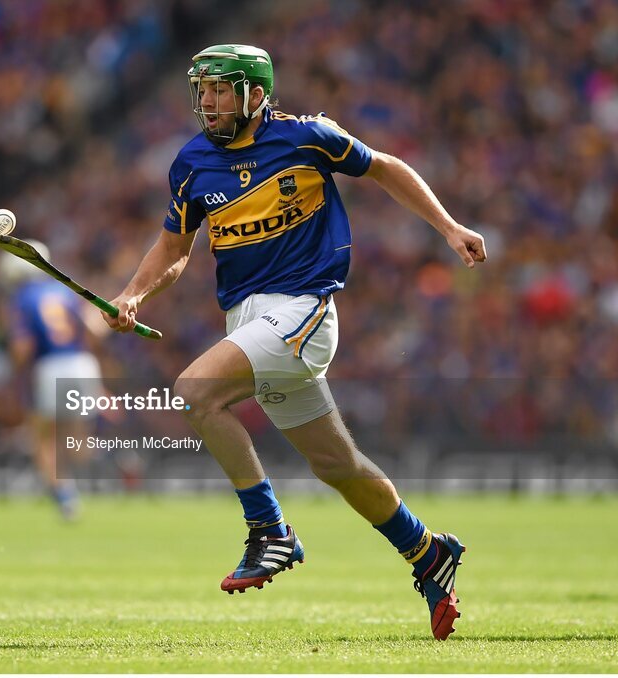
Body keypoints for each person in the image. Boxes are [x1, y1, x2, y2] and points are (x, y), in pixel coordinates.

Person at [102, 44, 486, 640]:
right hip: (250, 323)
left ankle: (270, 529)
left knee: (196, 392)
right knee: (337, 464)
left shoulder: (307, 136)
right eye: (201, 88)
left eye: (221, 89)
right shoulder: (191, 163)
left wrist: (450, 227)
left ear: (255, 94)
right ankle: (428, 552)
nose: (207, 100)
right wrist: (133, 295)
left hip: (302, 313)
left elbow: (384, 166)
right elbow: (175, 251)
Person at [0, 241, 105, 520]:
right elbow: (95, 329)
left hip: (50, 367)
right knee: (76, 438)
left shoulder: (22, 298)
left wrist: (15, 373)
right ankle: (119, 464)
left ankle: (65, 498)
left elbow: (23, 347)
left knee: (43, 437)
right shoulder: (65, 290)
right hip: (82, 362)